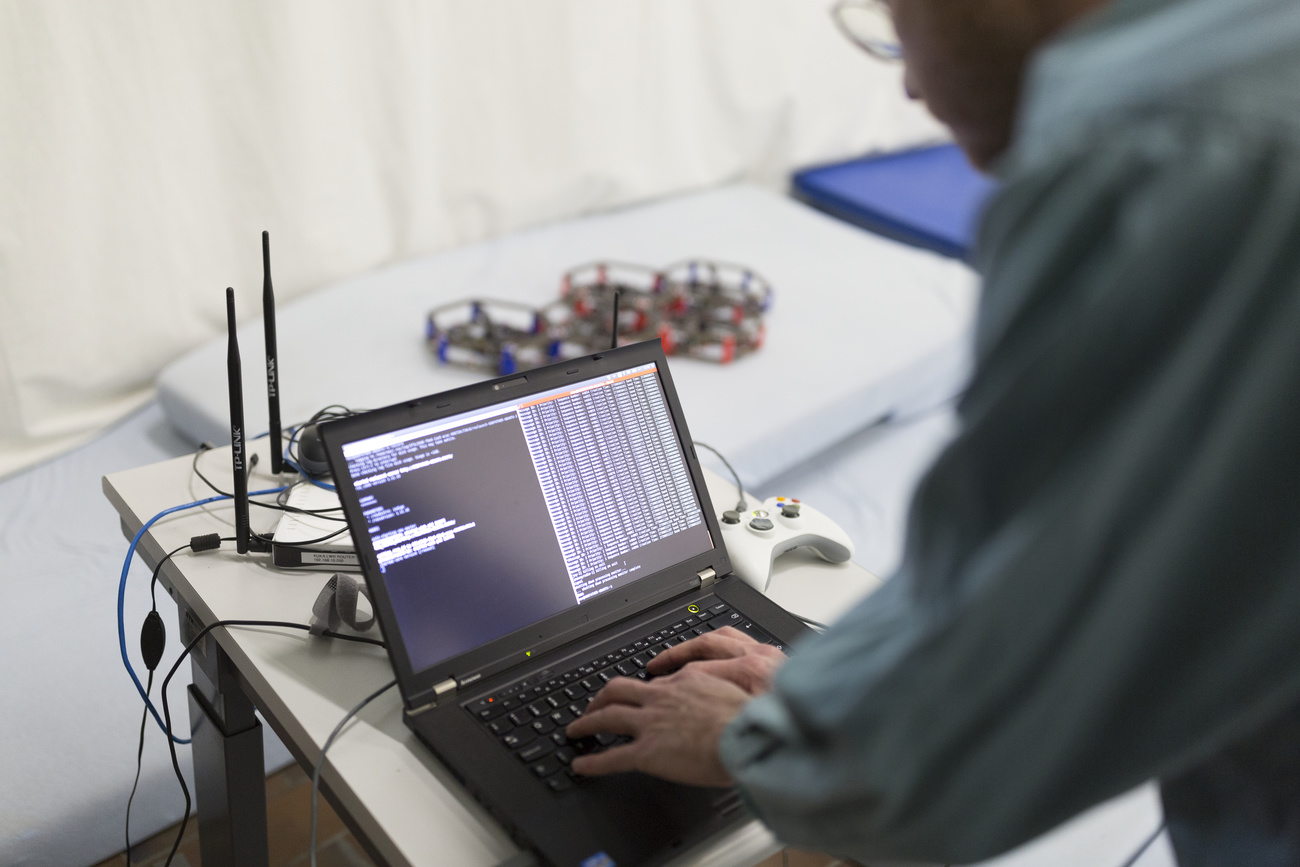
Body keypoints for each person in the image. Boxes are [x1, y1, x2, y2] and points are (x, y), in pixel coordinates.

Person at [566, 0, 1300, 864]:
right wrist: (823, 687)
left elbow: (999, 682)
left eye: (893, 15)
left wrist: (775, 734)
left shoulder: (1160, 141)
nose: (910, 83)